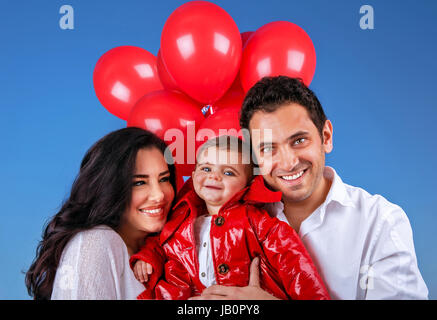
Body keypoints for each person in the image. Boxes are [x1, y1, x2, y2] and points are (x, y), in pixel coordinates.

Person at [192, 76, 428, 300]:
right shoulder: (235, 215)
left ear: (326, 136)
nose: (288, 162)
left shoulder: (380, 222)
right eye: (268, 148)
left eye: (298, 141)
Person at [130, 135, 330, 300]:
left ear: (247, 184)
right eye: (206, 169)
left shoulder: (257, 223)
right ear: (193, 175)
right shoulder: (179, 218)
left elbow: (296, 267)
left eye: (228, 172)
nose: (214, 176)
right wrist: (147, 258)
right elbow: (159, 243)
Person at [25, 127, 176, 300]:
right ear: (110, 188)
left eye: (164, 179)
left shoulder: (169, 249)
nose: (159, 195)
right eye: (139, 183)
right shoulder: (96, 242)